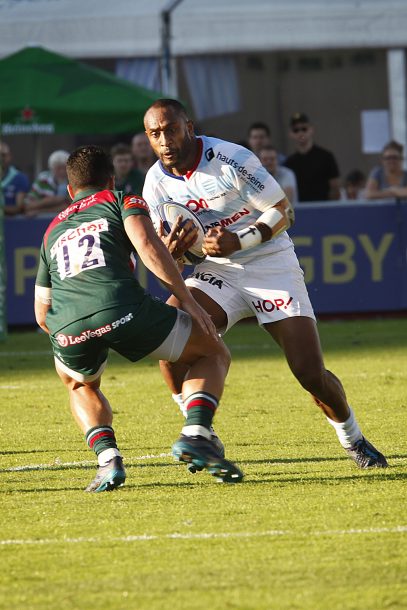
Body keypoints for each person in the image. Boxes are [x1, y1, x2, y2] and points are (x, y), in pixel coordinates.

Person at [143, 98, 387, 470]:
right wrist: (175, 255)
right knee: (170, 335)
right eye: (154, 134)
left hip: (269, 264)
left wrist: (239, 241)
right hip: (217, 271)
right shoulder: (155, 183)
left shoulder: (229, 158)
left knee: (309, 372)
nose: (164, 140)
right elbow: (172, 255)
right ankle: (200, 433)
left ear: (188, 127)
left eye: (170, 129)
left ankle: (352, 438)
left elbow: (283, 210)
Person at [34, 144, 243, 492]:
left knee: (79, 383)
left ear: (70, 192)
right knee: (212, 352)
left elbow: (42, 313)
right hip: (121, 306)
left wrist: (74, 331)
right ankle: (196, 432)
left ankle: (107, 460)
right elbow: (147, 247)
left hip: (67, 322)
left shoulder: (52, 230)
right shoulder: (122, 200)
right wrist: (188, 300)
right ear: (111, 179)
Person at [284, 113, 341, 202]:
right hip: (300, 210)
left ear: (311, 130)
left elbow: (335, 188)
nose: (300, 133)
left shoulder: (326, 157)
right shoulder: (288, 162)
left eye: (304, 129)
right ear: (291, 134)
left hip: (324, 208)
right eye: (296, 130)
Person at [25, 149, 70, 216]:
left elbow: (68, 208)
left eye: (64, 168)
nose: (62, 171)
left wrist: (40, 210)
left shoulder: (73, 181)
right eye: (58, 168)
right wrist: (49, 201)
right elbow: (28, 205)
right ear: (52, 168)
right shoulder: (43, 179)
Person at [0, 140, 30, 216]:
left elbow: (18, 207)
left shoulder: (19, 178)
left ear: (9, 156)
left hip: (12, 224)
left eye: (3, 155)